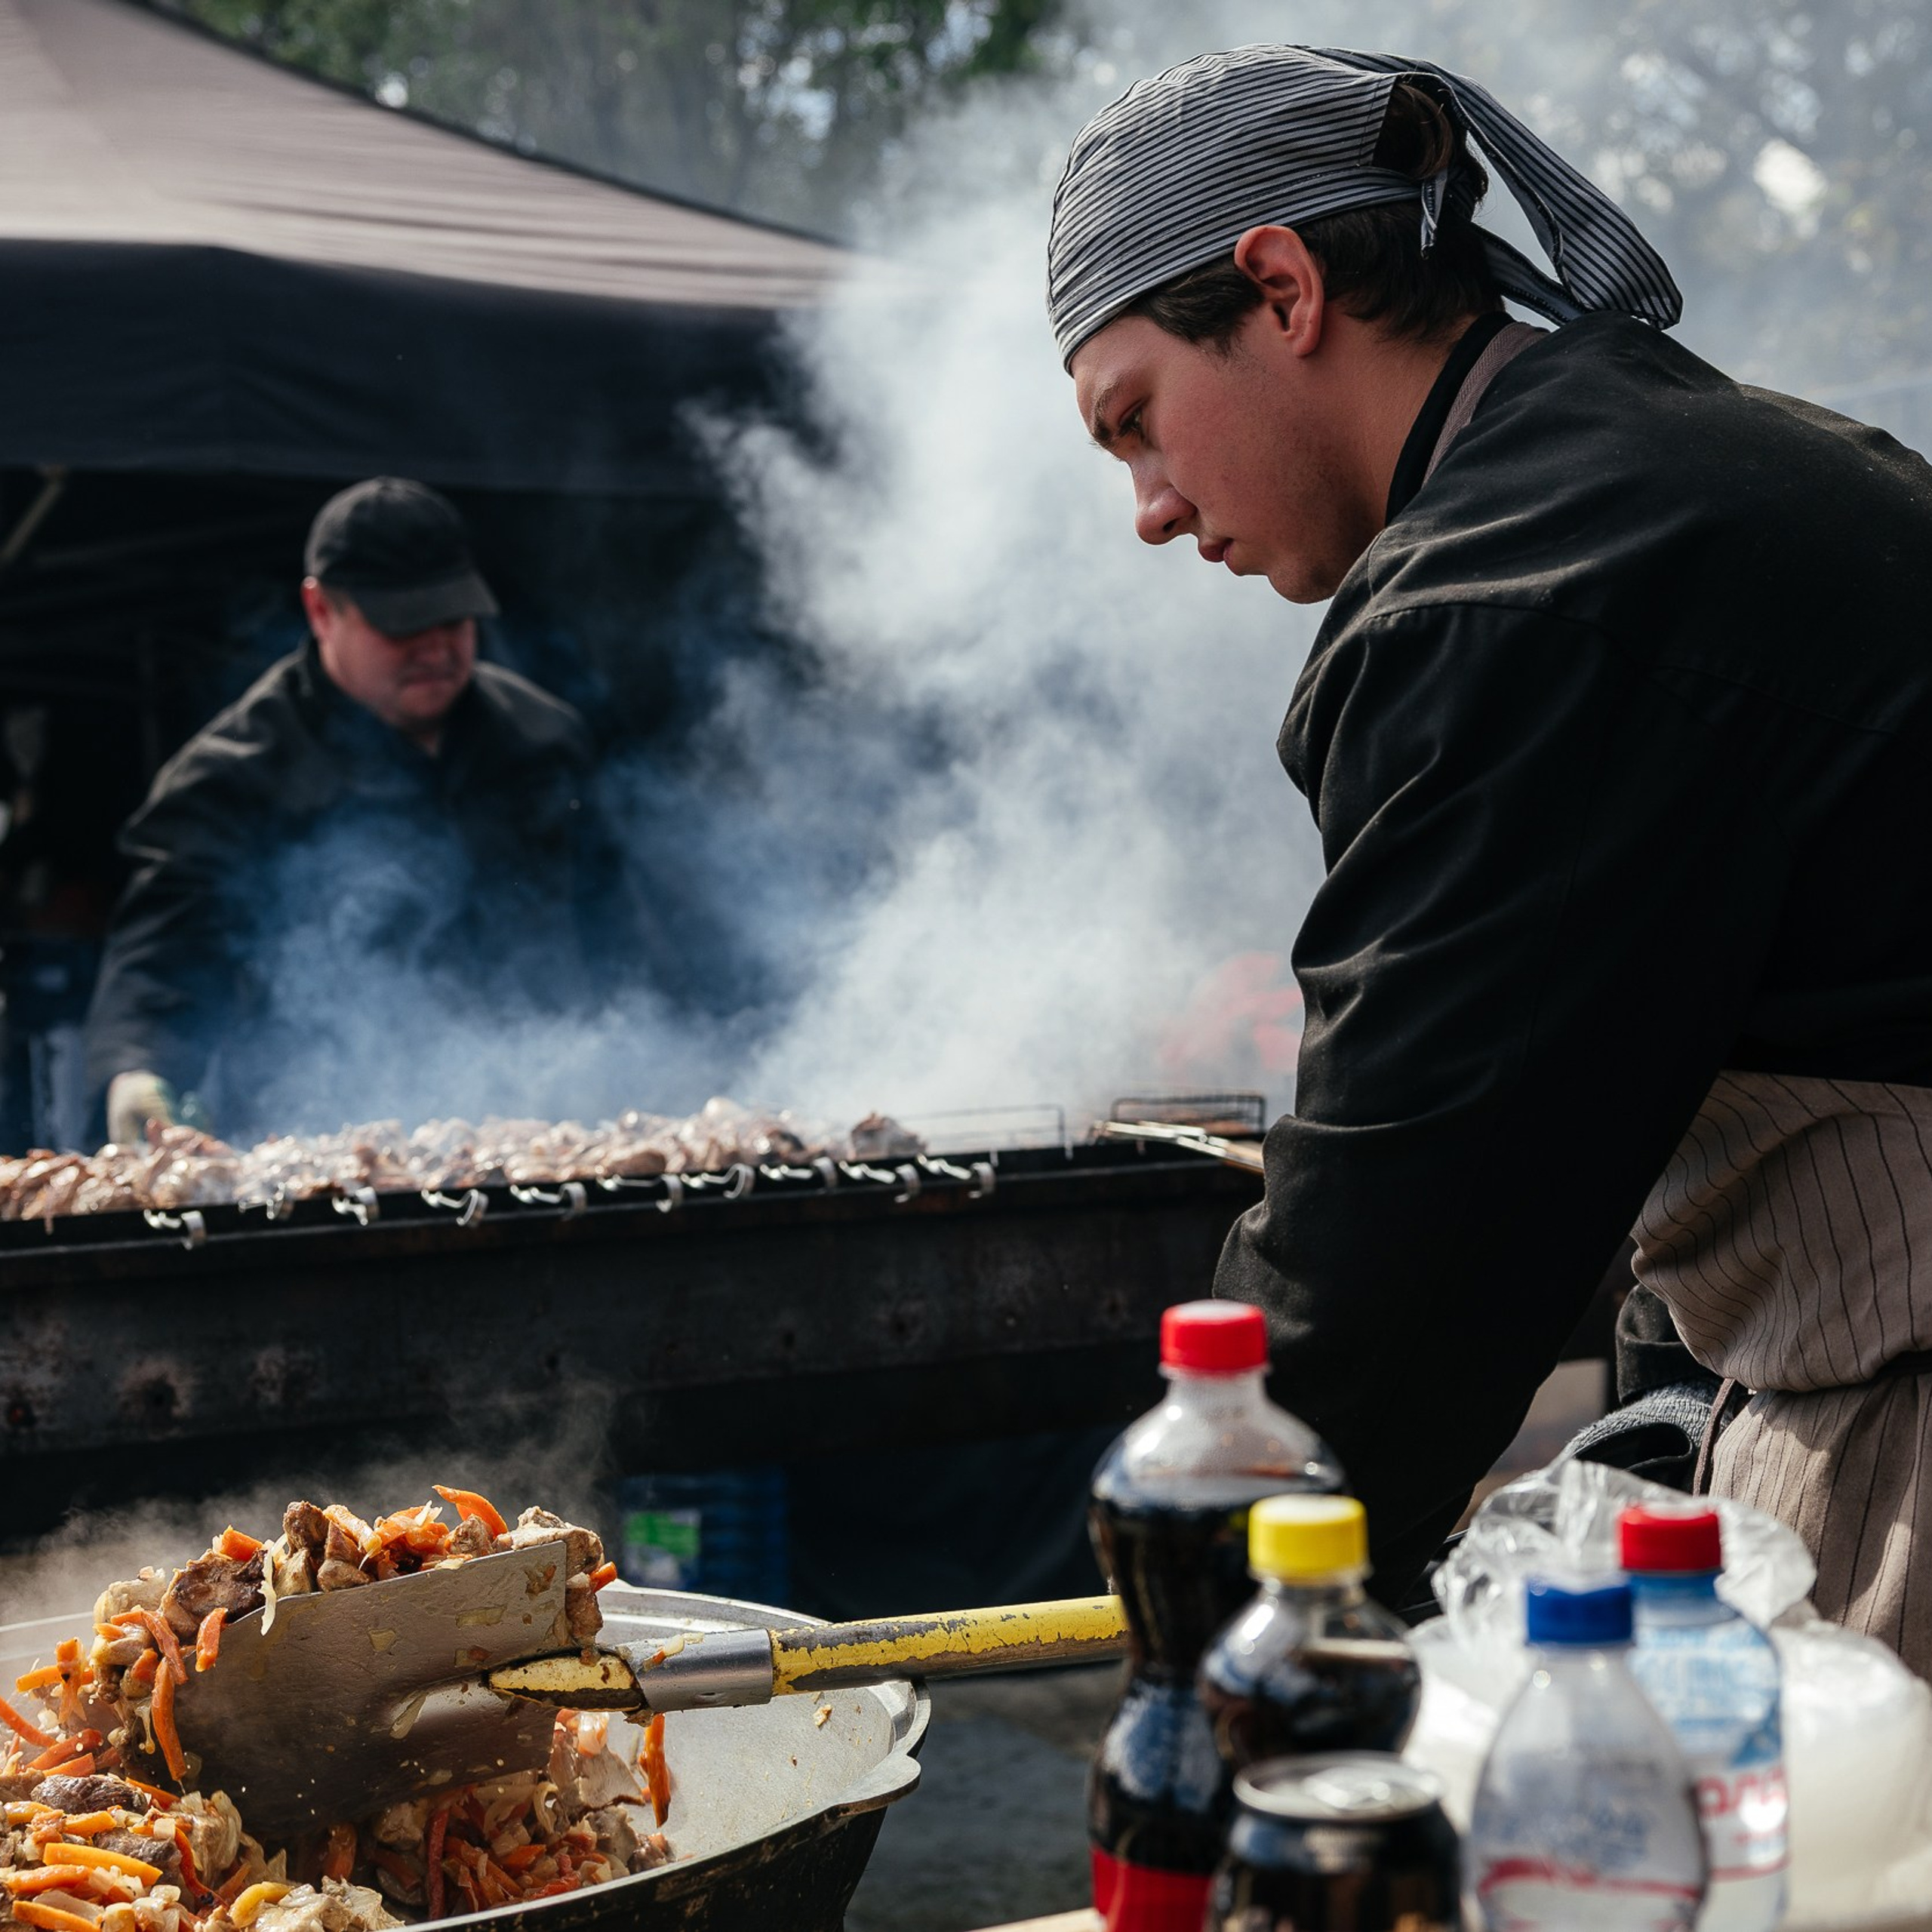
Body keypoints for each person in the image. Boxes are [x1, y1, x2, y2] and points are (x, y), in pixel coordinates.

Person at [1048, 48, 1932, 1669]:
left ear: (1277, 285)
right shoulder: (1709, 463)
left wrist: (1224, 1620)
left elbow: (1403, 1236)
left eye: (1135, 425)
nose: (1150, 510)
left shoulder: (1522, 590)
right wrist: (1666, 1392)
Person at [85, 476, 638, 1147]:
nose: (436, 648)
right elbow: (162, 964)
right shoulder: (234, 775)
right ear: (321, 612)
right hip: (322, 1152)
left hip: (549, 1139)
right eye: (402, 623)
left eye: (454, 618)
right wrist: (137, 1071)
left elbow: (619, 934)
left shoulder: (545, 739)